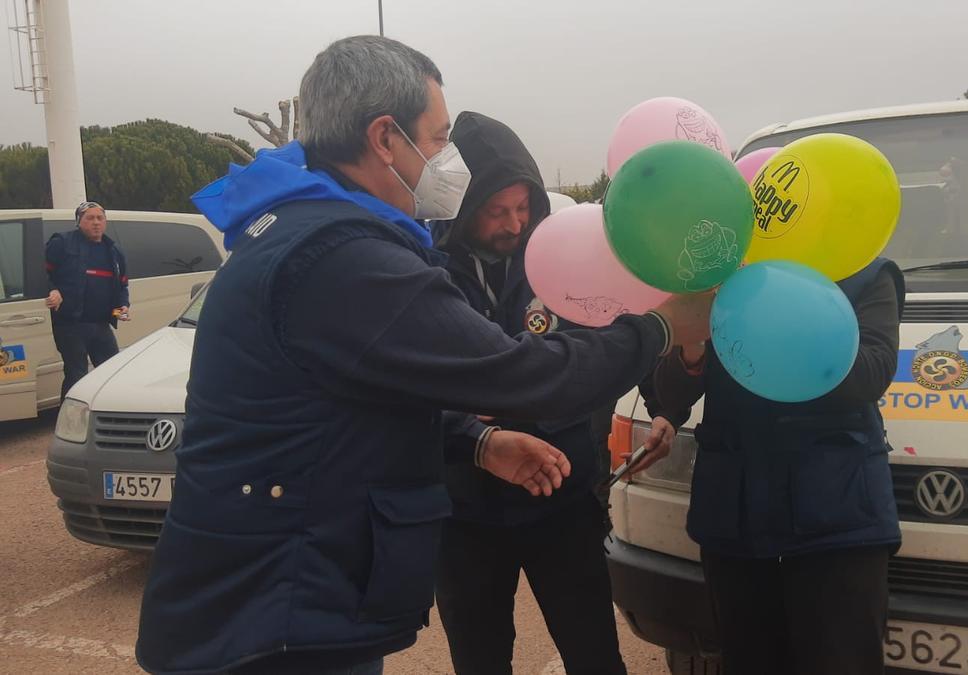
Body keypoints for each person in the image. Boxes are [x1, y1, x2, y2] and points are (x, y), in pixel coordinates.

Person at [135, 36, 712, 675]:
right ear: (386, 138)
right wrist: (661, 327)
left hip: (273, 594)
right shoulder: (344, 258)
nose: (447, 161)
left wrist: (478, 444)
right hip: (280, 613)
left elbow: (357, 405)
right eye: (437, 140)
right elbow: (524, 376)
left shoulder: (300, 230)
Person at [432, 112, 689, 675]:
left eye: (523, 208)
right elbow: (418, 385)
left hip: (562, 496)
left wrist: (663, 406)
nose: (513, 223)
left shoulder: (561, 256)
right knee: (478, 658)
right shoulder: (427, 270)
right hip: (464, 511)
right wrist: (479, 437)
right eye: (497, 211)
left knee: (593, 650)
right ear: (464, 208)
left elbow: (612, 327)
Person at [652, 258, 905, 675]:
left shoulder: (865, 273)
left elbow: (871, 372)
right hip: (736, 519)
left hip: (837, 518)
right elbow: (671, 394)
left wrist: (785, 327)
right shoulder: (722, 277)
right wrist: (691, 344)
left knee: (841, 661)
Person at [44, 201, 130, 400]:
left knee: (112, 372)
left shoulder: (114, 251)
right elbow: (41, 274)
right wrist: (53, 290)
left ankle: (110, 416)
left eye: (100, 218)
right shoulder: (61, 243)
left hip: (101, 324)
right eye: (90, 218)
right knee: (77, 376)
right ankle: (70, 421)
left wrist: (123, 307)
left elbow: (122, 285)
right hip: (70, 325)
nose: (96, 223)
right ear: (79, 221)